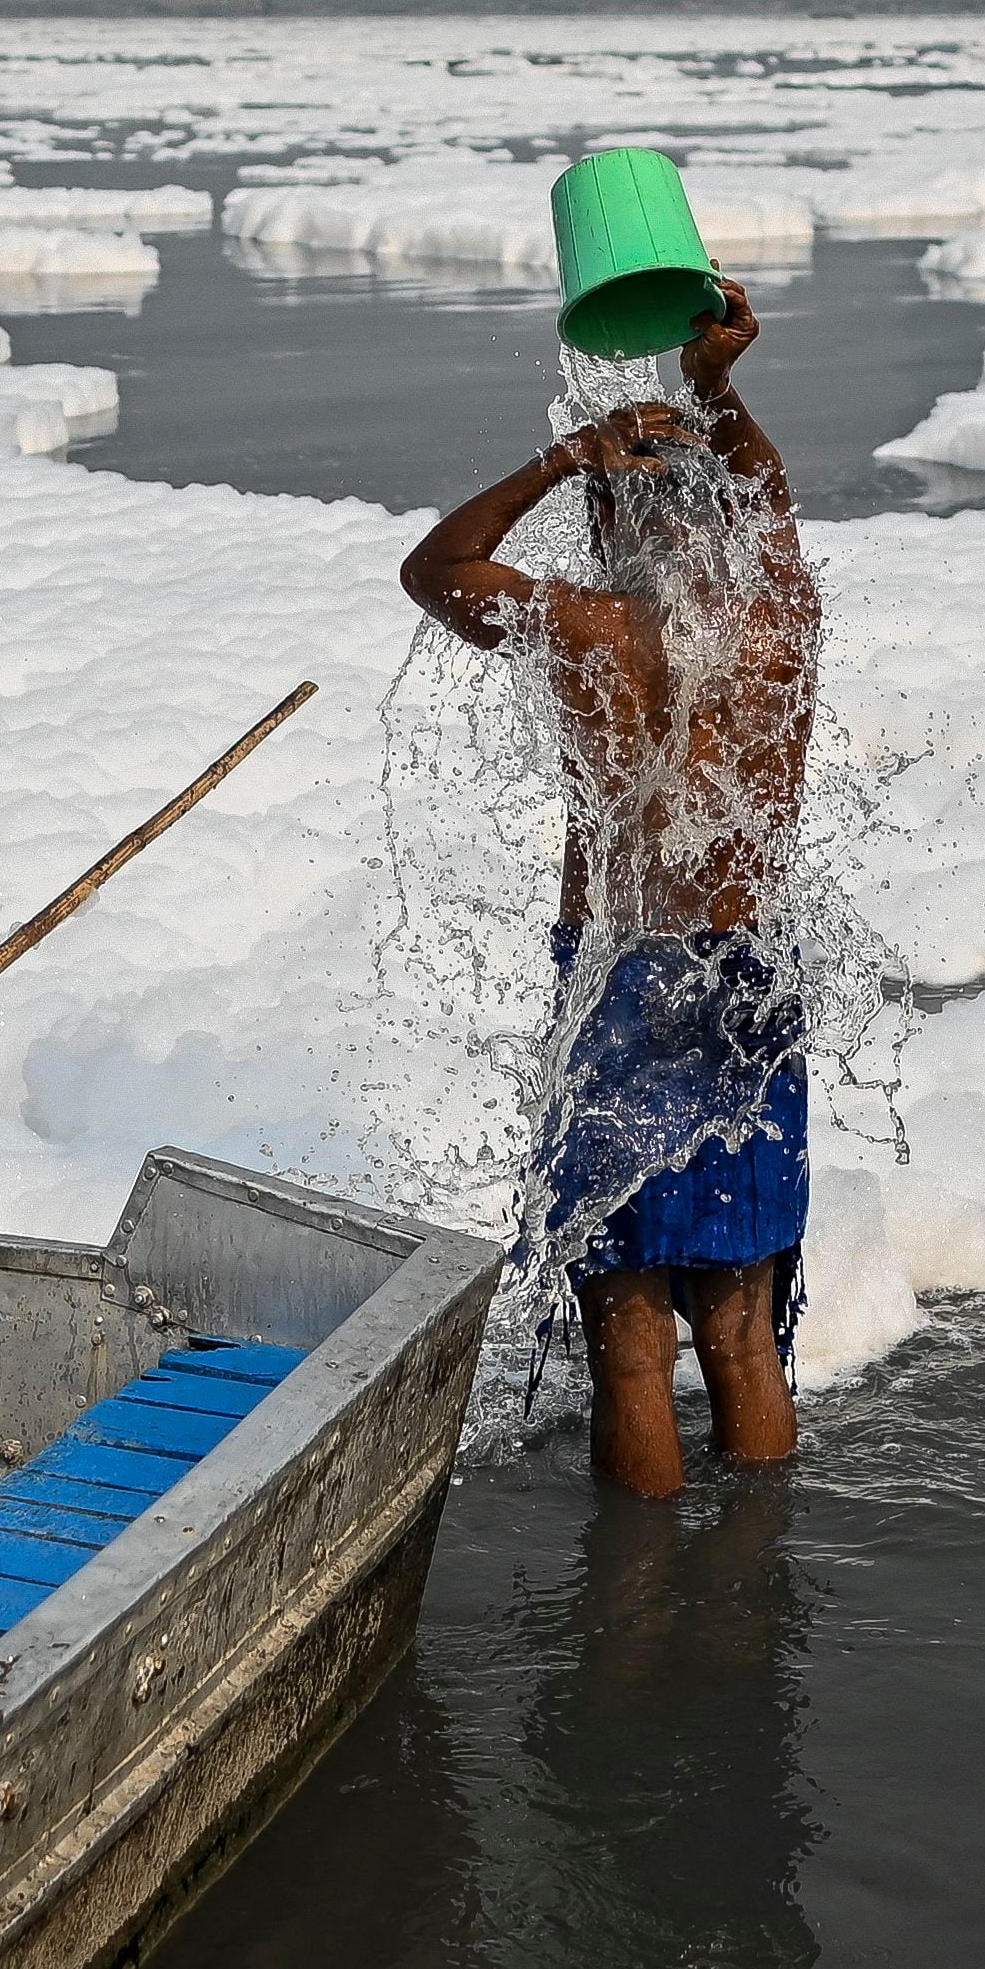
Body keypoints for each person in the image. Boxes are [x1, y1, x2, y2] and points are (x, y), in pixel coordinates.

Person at [398, 275, 820, 1496]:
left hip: (624, 975)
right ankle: (754, 1591)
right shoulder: (783, 612)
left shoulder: (575, 625)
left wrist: (566, 453)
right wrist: (716, 387)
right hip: (755, 966)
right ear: (727, 517)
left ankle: (628, 1631)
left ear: (605, 524)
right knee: (739, 1325)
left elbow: (438, 567)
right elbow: (773, 497)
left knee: (629, 1342)